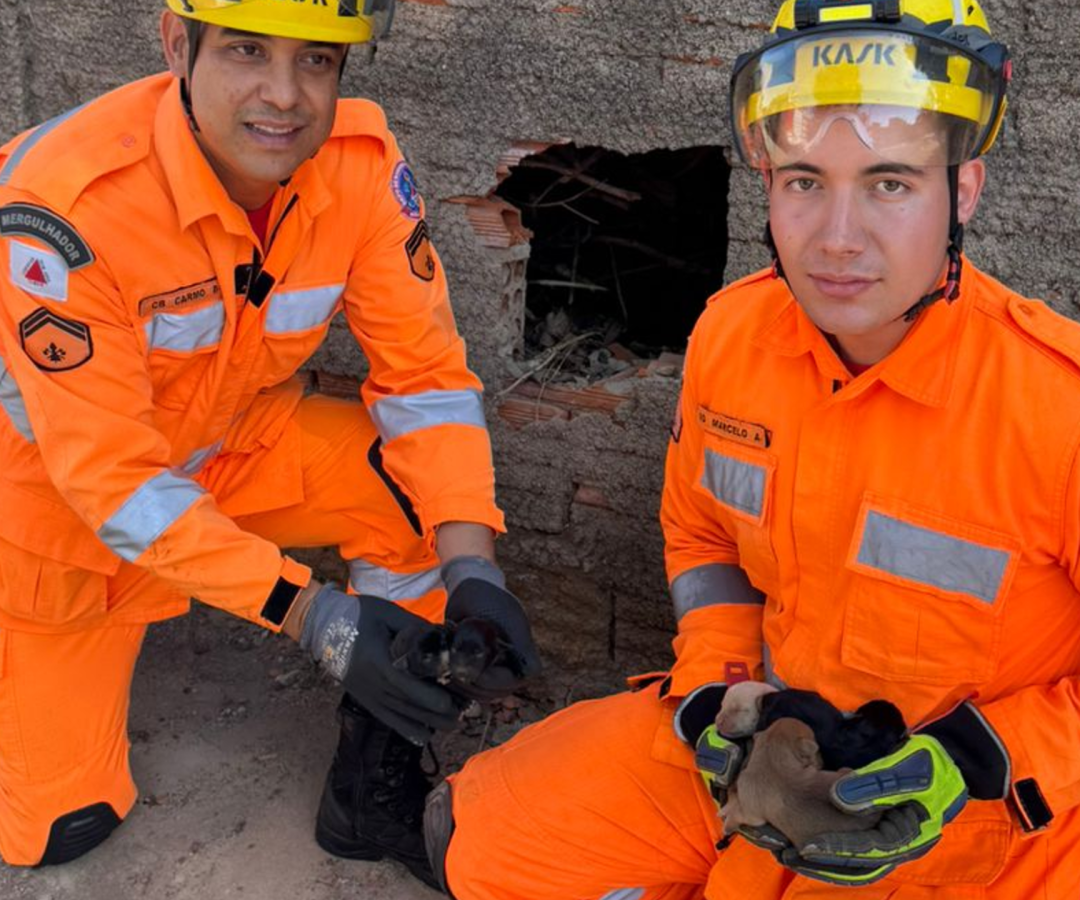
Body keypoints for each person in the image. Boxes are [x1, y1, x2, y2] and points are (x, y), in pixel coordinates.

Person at [425, 0, 1080, 896]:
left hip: (966, 815)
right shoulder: (733, 335)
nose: (838, 238)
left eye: (890, 183)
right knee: (482, 837)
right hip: (759, 747)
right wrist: (717, 698)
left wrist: (979, 756)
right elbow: (703, 546)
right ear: (766, 181)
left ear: (963, 189)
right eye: (805, 180)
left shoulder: (1057, 403)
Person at [0, 0, 539, 883]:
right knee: (63, 829)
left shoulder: (359, 164)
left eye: (317, 61)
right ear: (179, 44)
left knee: (411, 486)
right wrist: (311, 615)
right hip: (59, 518)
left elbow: (427, 381)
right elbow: (113, 483)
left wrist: (473, 565)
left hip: (223, 449)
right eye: (248, 51)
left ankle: (377, 773)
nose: (284, 97)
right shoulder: (63, 208)